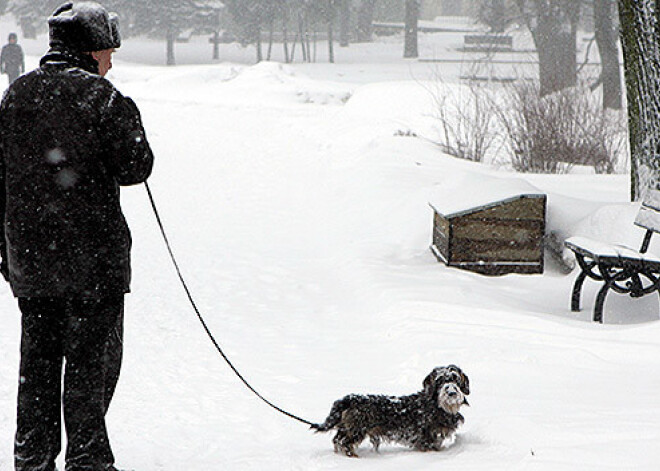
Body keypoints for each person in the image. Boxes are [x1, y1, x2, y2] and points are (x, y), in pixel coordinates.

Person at [0, 2, 154, 470]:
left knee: (38, 365)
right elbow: (136, 167)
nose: (111, 61)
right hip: (94, 262)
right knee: (91, 366)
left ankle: (33, 458)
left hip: (31, 259)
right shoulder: (103, 99)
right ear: (89, 51)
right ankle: (88, 459)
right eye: (107, 51)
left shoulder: (14, 98)